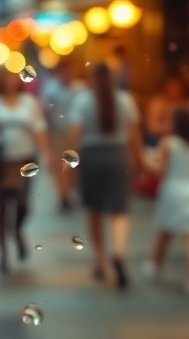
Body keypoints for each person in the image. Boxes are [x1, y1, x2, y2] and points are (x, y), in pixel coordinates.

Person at [68, 63, 143, 289]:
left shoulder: (82, 101)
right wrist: (140, 161)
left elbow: (75, 134)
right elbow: (134, 134)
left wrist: (69, 166)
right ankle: (118, 252)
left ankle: (100, 260)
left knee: (95, 210)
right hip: (117, 157)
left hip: (91, 158)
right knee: (118, 210)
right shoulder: (125, 100)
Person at [0, 67, 49, 274]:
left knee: (23, 204)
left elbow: (39, 128)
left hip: (24, 160)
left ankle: (16, 230)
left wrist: (46, 153)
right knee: (1, 206)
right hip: (1, 161)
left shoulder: (29, 103)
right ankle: (3, 252)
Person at [143, 107, 189, 295]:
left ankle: (155, 267)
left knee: (165, 232)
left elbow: (161, 171)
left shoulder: (168, 143)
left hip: (172, 191)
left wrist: (147, 162)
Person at [39, 58, 86, 211]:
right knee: (61, 166)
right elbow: (45, 111)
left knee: (72, 165)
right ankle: (63, 194)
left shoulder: (80, 88)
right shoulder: (51, 89)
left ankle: (67, 192)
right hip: (57, 131)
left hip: (76, 131)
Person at [143, 77, 189, 146]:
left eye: (177, 88)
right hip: (155, 140)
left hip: (175, 142)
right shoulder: (157, 103)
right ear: (166, 88)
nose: (175, 91)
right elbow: (152, 127)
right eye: (172, 87)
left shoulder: (180, 105)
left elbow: (185, 129)